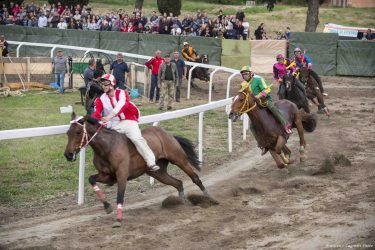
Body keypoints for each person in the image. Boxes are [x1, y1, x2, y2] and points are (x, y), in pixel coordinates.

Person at [92, 73, 160, 172]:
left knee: (137, 138)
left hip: (128, 121)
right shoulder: (101, 99)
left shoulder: (122, 93)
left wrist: (108, 117)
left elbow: (121, 106)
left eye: (106, 83)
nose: (103, 86)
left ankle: (151, 162)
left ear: (112, 84)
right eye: (102, 84)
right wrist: (88, 119)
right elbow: (96, 113)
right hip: (114, 125)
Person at [240, 65, 293, 143]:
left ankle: (286, 125)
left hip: (264, 101)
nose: (245, 76)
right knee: (251, 126)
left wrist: (260, 95)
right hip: (255, 105)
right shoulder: (243, 84)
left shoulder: (258, 79)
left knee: (272, 108)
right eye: (243, 74)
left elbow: (268, 89)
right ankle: (260, 143)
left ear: (251, 73)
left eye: (246, 74)